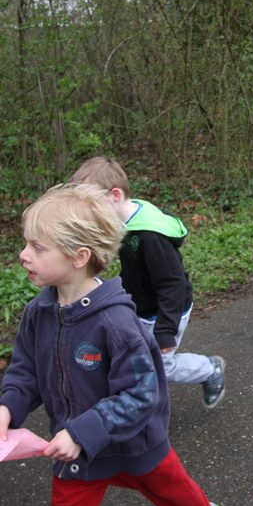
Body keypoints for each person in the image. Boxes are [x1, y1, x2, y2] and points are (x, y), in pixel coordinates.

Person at [0, 185, 225, 506]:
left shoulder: (118, 323)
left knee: (172, 491)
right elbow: (26, 369)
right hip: (76, 454)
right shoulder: (38, 312)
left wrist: (83, 432)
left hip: (134, 444)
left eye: (37, 247)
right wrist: (9, 406)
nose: (23, 255)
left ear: (79, 257)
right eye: (25, 244)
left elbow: (142, 394)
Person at [70, 156, 225, 409]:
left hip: (165, 311)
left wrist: (165, 330)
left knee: (161, 366)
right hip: (141, 304)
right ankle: (133, 398)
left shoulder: (151, 236)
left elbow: (172, 284)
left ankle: (209, 369)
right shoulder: (124, 217)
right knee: (132, 356)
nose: (88, 212)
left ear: (115, 195)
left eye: (91, 203)